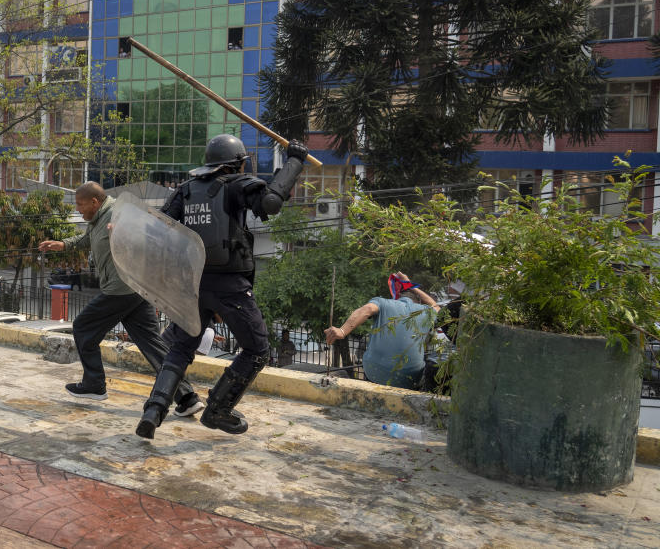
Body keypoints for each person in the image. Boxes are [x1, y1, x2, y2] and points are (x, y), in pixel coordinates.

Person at [135, 134, 308, 438]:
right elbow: (270, 203)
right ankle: (218, 409)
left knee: (181, 348)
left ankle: (154, 409)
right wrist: (295, 161)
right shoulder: (238, 184)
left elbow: (160, 229)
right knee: (257, 349)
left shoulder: (185, 190)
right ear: (238, 163)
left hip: (193, 283)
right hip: (231, 284)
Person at [39, 182, 204, 417]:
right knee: (153, 345)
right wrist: (63, 244)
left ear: (94, 202)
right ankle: (187, 398)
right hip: (133, 291)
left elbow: (145, 232)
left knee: (83, 327)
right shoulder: (97, 219)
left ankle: (94, 384)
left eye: (80, 204)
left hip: (121, 288)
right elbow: (88, 239)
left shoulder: (119, 213)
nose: (77, 209)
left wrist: (124, 230)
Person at [325, 272, 440, 389]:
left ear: (397, 295)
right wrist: (412, 286)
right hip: (409, 377)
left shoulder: (383, 303)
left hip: (376, 373)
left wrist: (342, 331)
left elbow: (368, 308)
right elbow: (437, 308)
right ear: (417, 299)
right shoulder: (425, 311)